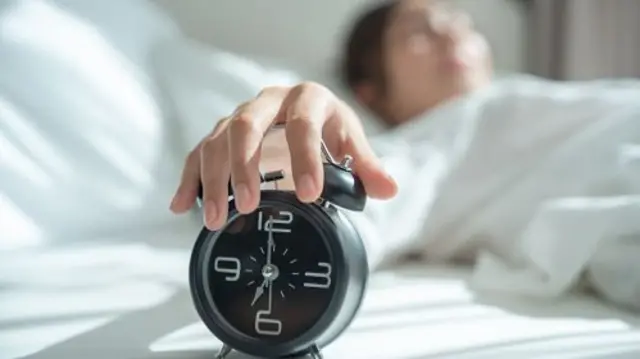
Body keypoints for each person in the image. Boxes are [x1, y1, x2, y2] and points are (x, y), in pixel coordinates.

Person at [170, 0, 640, 310]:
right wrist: (282, 171)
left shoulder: (536, 99)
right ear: (370, 92)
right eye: (419, 32)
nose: (452, 35)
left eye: (461, 23)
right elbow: (359, 209)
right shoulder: (430, 140)